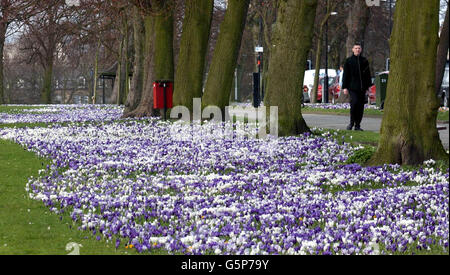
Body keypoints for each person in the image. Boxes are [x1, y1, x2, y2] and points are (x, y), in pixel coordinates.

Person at [342, 42, 372, 131]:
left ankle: (357, 125)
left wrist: (368, 87)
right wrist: (345, 87)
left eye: (359, 48)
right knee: (354, 103)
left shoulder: (364, 61)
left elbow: (368, 75)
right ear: (353, 49)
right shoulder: (349, 61)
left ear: (361, 50)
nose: (357, 50)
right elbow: (346, 75)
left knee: (360, 106)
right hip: (352, 87)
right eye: (356, 48)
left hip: (362, 88)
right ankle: (351, 123)